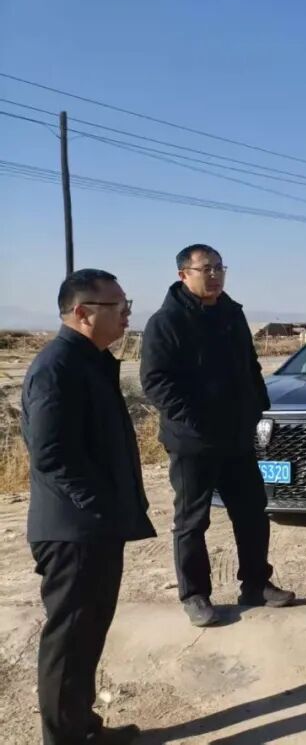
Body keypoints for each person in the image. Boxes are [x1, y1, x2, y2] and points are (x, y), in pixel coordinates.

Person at [21, 269, 154, 745]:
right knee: (69, 642)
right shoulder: (56, 367)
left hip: (92, 526)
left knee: (87, 637)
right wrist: (97, 506)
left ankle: (83, 729)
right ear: (82, 313)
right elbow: (50, 454)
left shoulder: (90, 361)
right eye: (118, 307)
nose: (127, 315)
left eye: (126, 305)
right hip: (72, 531)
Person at [140, 244, 294, 627]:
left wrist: (257, 407)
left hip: (237, 436)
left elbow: (250, 365)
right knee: (193, 520)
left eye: (219, 268)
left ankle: (256, 583)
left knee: (252, 512)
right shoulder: (167, 321)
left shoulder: (231, 313)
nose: (214, 275)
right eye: (205, 269)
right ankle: (195, 595)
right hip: (193, 440)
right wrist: (194, 420)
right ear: (183, 275)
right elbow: (156, 381)